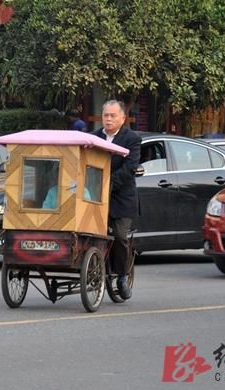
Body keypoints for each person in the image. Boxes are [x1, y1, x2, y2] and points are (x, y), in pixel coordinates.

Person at [92, 100, 141, 300]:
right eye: (106, 115)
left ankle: (121, 276)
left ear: (122, 118)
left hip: (121, 198)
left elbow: (130, 168)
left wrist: (108, 182)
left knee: (120, 236)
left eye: (113, 115)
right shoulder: (94, 137)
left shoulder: (132, 139)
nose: (109, 119)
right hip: (95, 196)